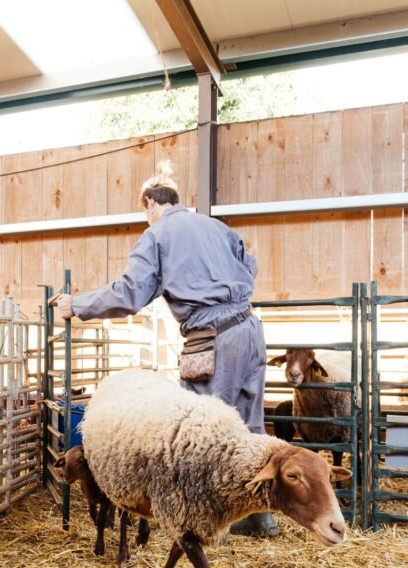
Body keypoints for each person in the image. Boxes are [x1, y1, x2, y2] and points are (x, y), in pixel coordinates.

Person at [56, 160, 277, 537]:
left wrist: (76, 305)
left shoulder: (157, 235)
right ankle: (258, 519)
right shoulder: (217, 227)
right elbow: (250, 267)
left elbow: (130, 293)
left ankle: (198, 523)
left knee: (202, 438)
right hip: (250, 330)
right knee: (250, 428)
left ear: (149, 203)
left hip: (212, 337)